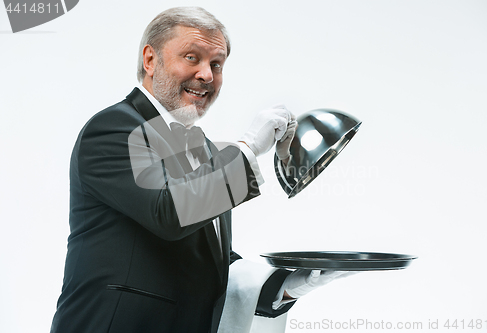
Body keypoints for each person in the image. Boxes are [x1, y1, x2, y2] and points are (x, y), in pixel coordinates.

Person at [51, 7, 353, 333]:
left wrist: (287, 285)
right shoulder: (114, 129)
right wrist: (248, 148)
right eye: (192, 57)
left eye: (217, 64)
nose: (207, 75)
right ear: (151, 61)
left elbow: (206, 261)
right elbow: (171, 213)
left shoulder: (203, 147)